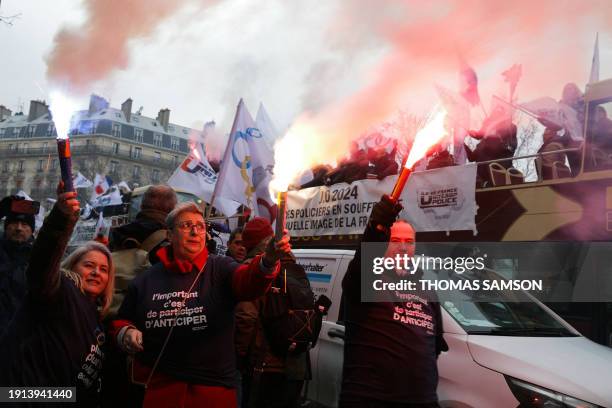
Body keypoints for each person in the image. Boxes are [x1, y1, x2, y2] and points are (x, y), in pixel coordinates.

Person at [111, 203, 292, 408]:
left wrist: (267, 261)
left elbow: (249, 282)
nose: (195, 231)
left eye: (200, 225)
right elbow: (122, 320)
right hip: (161, 389)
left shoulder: (220, 268)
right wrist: (126, 332)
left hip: (212, 391)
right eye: (187, 225)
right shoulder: (147, 279)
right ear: (169, 235)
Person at [0, 184, 116, 407]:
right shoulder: (60, 291)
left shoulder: (96, 317)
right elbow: (43, 261)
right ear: (72, 267)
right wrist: (62, 219)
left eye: (104, 269)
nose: (96, 272)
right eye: (89, 265)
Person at [340, 195, 447, 408]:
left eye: (409, 242)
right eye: (395, 241)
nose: (404, 248)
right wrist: (378, 227)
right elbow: (365, 263)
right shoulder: (367, 281)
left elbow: (433, 347)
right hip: (371, 400)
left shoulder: (426, 291)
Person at [235, 217, 314, 408]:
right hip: (296, 365)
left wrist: (239, 357)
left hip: (264, 367)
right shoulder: (293, 266)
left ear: (249, 244)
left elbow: (246, 317)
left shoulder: (253, 270)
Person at [0, 196, 36, 334]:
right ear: (6, 226)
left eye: (25, 224)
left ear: (32, 230)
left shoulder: (39, 258)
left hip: (23, 338)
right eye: (14, 223)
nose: (19, 228)